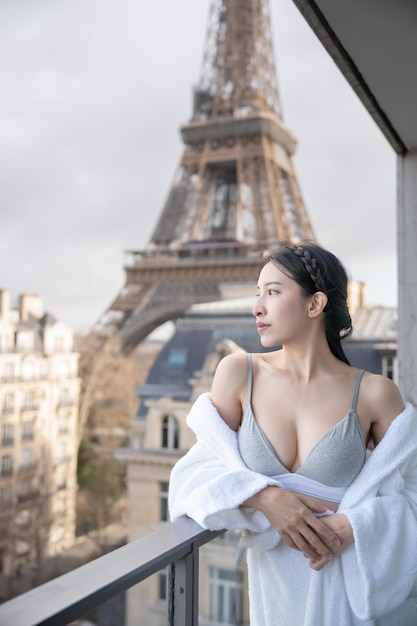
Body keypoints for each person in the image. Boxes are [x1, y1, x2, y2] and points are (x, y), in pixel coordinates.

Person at [169, 242, 417, 625]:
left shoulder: (374, 393)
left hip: (346, 597)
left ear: (315, 304)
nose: (257, 307)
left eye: (273, 292)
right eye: (258, 293)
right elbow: (192, 476)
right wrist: (265, 497)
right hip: (275, 599)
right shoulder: (237, 373)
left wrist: (356, 525)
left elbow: (412, 493)